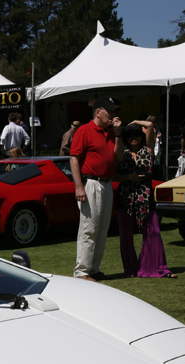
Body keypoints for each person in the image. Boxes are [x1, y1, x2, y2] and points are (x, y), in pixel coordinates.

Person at [69, 96, 123, 281]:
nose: (113, 115)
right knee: (89, 228)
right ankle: (82, 271)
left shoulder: (111, 133)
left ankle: (93, 269)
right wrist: (78, 187)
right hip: (91, 182)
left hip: (106, 183)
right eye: (110, 111)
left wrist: (118, 134)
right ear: (98, 112)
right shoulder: (84, 130)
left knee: (102, 229)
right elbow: (74, 158)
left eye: (114, 111)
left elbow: (119, 157)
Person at [115, 122, 174, 279]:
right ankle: (130, 269)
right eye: (130, 135)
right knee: (126, 236)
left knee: (152, 232)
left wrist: (134, 122)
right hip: (126, 197)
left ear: (142, 137)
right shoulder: (122, 153)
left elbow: (150, 125)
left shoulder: (148, 150)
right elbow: (113, 176)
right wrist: (129, 177)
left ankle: (157, 268)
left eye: (136, 135)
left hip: (145, 196)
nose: (133, 138)